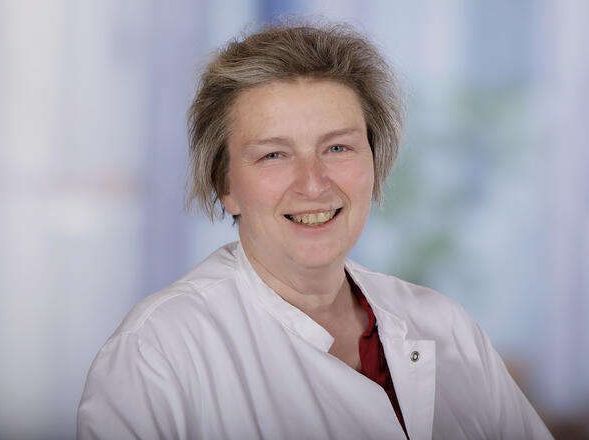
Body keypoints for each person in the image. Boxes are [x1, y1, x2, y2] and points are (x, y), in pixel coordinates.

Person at [77, 23, 552, 439]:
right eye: (273, 154)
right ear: (225, 186)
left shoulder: (445, 326)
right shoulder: (156, 353)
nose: (313, 183)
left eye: (338, 148)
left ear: (375, 163)